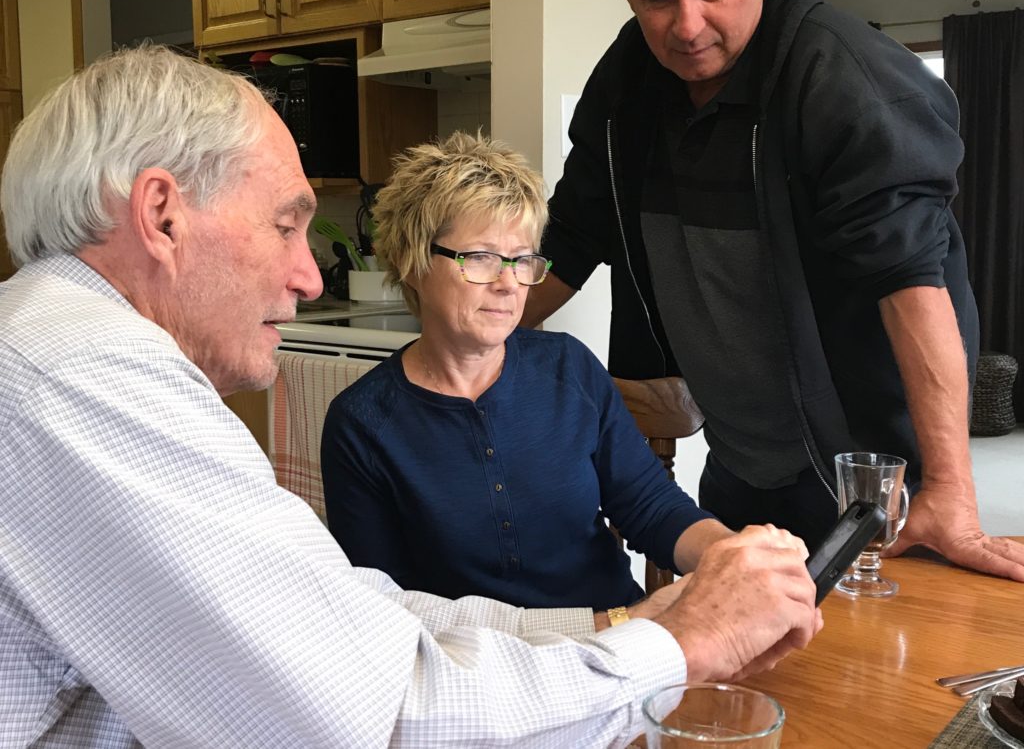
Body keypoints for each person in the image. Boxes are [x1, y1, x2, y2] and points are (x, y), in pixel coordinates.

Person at [0, 46, 821, 747]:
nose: (309, 275)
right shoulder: (83, 379)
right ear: (161, 215)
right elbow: (377, 712)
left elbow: (360, 613)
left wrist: (631, 625)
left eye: (521, 259)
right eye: (285, 224)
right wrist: (678, 642)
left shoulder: (51, 346)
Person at [523, 0, 1024, 581]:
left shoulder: (845, 80)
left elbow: (912, 282)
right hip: (736, 461)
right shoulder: (627, 82)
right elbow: (570, 236)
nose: (687, 24)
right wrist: (466, 338)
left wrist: (950, 489)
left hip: (864, 475)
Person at [321, 132, 733, 612]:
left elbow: (650, 506)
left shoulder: (568, 367)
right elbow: (382, 607)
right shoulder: (362, 424)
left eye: (521, 260)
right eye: (480, 257)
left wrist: (728, 554)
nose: (508, 284)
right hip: (481, 654)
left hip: (619, 635)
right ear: (412, 263)